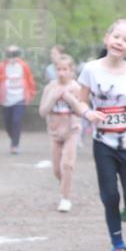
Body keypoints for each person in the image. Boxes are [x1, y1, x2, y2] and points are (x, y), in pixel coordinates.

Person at [78, 19, 126, 251]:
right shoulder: (91, 69)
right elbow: (81, 101)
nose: (119, 42)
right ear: (107, 38)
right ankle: (118, 245)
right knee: (110, 196)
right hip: (104, 143)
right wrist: (88, 113)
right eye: (116, 36)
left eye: (125, 40)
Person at [39, 54, 89, 213]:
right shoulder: (50, 88)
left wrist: (69, 98)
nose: (61, 73)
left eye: (65, 69)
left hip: (72, 132)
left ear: (71, 71)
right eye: (58, 69)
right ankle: (65, 187)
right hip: (54, 133)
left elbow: (82, 111)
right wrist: (54, 97)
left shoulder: (76, 88)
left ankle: (65, 198)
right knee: (57, 170)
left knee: (67, 164)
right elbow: (42, 111)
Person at [0, 45, 36, 155]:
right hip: (6, 99)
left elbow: (30, 80)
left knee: (16, 121)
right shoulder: (2, 67)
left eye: (15, 55)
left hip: (20, 98)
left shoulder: (23, 66)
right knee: (7, 123)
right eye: (10, 56)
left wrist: (31, 93)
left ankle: (15, 145)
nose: (12, 59)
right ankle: (13, 138)